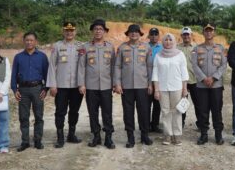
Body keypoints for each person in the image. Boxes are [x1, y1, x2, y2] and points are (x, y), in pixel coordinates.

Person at [78, 19, 116, 149]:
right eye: (96, 29)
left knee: (107, 112)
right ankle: (96, 136)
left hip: (106, 85)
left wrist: (115, 83)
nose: (98, 31)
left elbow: (113, 67)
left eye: (100, 29)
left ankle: (109, 137)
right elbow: (81, 66)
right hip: (91, 86)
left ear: (104, 31)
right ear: (92, 31)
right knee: (92, 112)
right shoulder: (85, 47)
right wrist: (81, 84)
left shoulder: (110, 47)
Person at [114, 24, 154, 148]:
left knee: (144, 111)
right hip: (127, 86)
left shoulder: (146, 47)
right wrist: (118, 84)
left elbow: (149, 67)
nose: (133, 34)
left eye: (136, 32)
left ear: (140, 34)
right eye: (131, 32)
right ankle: (130, 137)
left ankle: (144, 135)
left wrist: (150, 84)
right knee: (128, 112)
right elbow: (117, 66)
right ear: (128, 34)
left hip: (142, 85)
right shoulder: (122, 48)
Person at [46, 22, 83, 148]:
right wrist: (52, 85)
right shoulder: (57, 46)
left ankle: (71, 134)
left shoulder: (81, 46)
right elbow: (51, 66)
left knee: (74, 111)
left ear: (75, 32)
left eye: (71, 30)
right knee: (60, 112)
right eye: (67, 30)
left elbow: (84, 66)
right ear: (63, 32)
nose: (69, 33)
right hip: (61, 86)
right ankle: (60, 137)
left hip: (76, 86)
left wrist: (83, 84)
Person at [11, 32, 49, 152]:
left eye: (31, 40)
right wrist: (14, 89)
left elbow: (47, 74)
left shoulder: (42, 56)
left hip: (37, 88)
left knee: (38, 116)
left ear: (35, 41)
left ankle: (38, 140)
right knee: (23, 116)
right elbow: (13, 75)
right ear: (24, 41)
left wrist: (45, 89)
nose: (29, 42)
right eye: (27, 40)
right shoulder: (18, 57)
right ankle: (25, 141)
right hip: (23, 89)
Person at [191, 24, 227, 145]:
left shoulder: (220, 48)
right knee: (203, 110)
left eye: (210, 31)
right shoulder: (197, 48)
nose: (208, 33)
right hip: (202, 86)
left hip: (216, 85)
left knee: (217, 110)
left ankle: (218, 135)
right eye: (206, 31)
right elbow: (194, 65)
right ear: (203, 33)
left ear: (214, 33)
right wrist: (203, 78)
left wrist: (214, 77)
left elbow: (223, 65)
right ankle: (204, 134)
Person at [152, 33, 189, 145]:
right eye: (166, 40)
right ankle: (167, 135)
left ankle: (177, 135)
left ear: (174, 42)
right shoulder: (158, 55)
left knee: (177, 111)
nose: (168, 42)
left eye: (170, 40)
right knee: (165, 111)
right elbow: (155, 73)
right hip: (162, 88)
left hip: (177, 87)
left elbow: (184, 73)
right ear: (162, 42)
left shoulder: (180, 54)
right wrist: (156, 90)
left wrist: (184, 89)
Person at [177, 27, 199, 129]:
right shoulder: (176, 48)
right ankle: (180, 123)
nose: (186, 36)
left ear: (191, 35)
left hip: (195, 80)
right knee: (181, 104)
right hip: (181, 82)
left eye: (188, 34)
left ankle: (201, 124)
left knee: (198, 104)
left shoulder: (197, 48)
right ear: (181, 36)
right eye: (184, 34)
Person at [148, 27, 163, 133]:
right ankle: (146, 125)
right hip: (147, 79)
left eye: (156, 34)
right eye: (152, 34)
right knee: (146, 104)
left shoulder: (163, 48)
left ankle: (155, 125)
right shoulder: (143, 47)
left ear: (158, 36)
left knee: (157, 104)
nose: (154, 36)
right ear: (149, 36)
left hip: (159, 80)